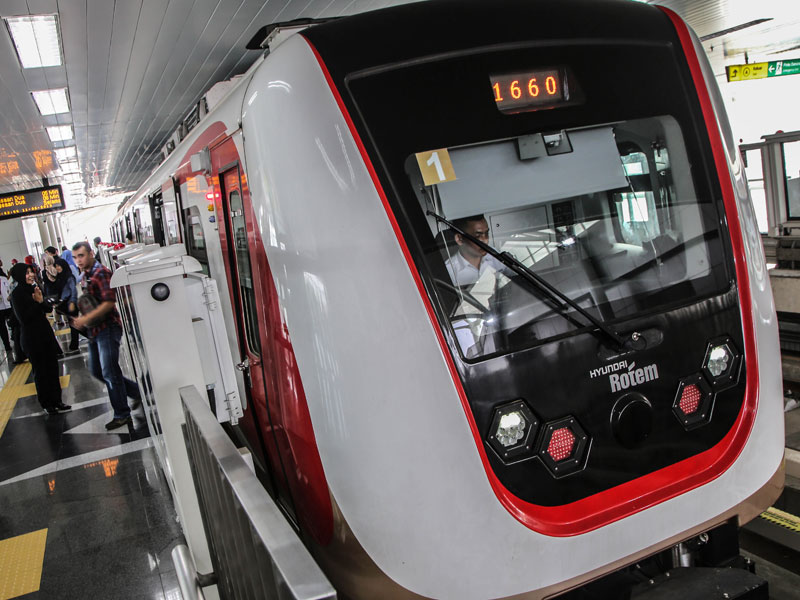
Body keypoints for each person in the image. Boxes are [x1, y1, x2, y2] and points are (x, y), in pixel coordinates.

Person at [71, 241, 140, 429]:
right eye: (76, 257)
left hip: (108, 328)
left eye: (81, 255)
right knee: (98, 370)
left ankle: (122, 414)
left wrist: (85, 320)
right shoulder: (86, 275)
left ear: (91, 253)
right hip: (95, 330)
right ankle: (138, 392)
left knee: (109, 371)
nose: (78, 260)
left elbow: (109, 302)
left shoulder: (101, 272)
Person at [8, 263, 71, 414]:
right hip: (31, 338)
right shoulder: (16, 294)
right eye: (27, 273)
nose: (30, 275)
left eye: (31, 272)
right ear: (19, 275)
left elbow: (48, 309)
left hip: (44, 333)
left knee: (52, 368)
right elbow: (24, 318)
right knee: (41, 371)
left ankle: (57, 400)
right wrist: (37, 302)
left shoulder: (34, 288)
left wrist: (41, 300)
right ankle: (46, 403)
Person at [444, 215, 506, 286]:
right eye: (478, 236)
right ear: (459, 239)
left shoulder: (495, 256)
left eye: (486, 234)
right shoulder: (449, 272)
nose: (486, 241)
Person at [0, 263, 12, 356]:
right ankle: (7, 345)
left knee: (13, 323)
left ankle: (15, 339)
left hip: (8, 305)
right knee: (2, 328)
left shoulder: (3, 278)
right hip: (0, 307)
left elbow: (9, 290)